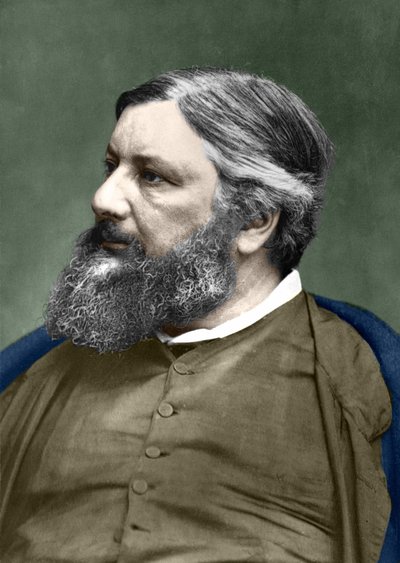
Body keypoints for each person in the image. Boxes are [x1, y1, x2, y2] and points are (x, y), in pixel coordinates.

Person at [0, 68, 391, 562]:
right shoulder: (40, 373)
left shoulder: (355, 379)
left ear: (253, 220)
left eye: (152, 177)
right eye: (111, 167)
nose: (103, 199)